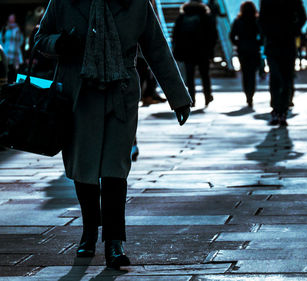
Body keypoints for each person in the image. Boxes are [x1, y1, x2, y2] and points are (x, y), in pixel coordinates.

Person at [36, 0, 192, 269]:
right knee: (84, 168)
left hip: (120, 95)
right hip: (78, 94)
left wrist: (178, 97)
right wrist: (58, 44)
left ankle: (115, 242)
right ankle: (89, 232)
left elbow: (156, 48)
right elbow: (41, 38)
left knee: (115, 169)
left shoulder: (137, 3)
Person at [260, 0, 307, 126]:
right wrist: (293, 29)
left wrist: (268, 32)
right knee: (284, 78)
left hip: (275, 42)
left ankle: (278, 109)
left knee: (278, 78)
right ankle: (281, 110)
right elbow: (303, 17)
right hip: (285, 42)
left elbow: (262, 20)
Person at [173, 0, 217, 107]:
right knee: (205, 75)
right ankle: (207, 96)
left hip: (188, 52)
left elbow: (176, 35)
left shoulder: (182, 17)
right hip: (203, 52)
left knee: (190, 77)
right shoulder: (205, 16)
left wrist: (178, 51)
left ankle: (192, 99)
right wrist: (210, 51)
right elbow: (212, 35)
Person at [230, 1, 262, 108]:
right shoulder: (256, 21)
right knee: (252, 74)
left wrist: (238, 44)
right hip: (254, 49)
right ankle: (251, 94)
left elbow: (232, 36)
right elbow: (262, 35)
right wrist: (258, 43)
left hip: (242, 50)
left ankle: (247, 95)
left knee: (245, 73)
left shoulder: (238, 21)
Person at [0, 14, 24, 84]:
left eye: (13, 18)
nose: (12, 19)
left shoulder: (17, 28)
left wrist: (16, 47)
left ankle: (13, 86)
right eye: (10, 18)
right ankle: (8, 86)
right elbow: (1, 39)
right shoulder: (5, 29)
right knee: (7, 70)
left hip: (15, 53)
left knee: (15, 71)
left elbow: (21, 39)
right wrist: (4, 48)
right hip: (6, 52)